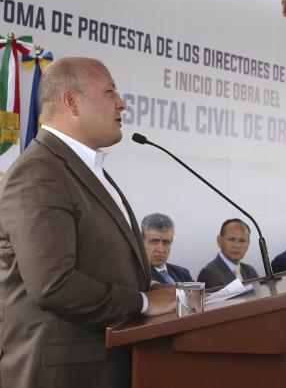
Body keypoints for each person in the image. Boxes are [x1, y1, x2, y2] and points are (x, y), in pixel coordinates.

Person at [0, 57, 175, 388]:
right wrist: (143, 302)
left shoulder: (81, 167)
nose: (122, 103)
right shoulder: (38, 173)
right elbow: (53, 284)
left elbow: (98, 262)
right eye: (110, 92)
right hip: (62, 373)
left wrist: (150, 288)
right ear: (71, 102)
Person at [198, 218, 259, 289]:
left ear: (248, 243)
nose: (237, 245)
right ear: (219, 241)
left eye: (242, 241)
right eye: (231, 239)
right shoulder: (209, 273)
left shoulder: (250, 271)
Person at [142, 213, 193, 284]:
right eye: (154, 242)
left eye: (166, 242)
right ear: (141, 242)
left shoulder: (183, 274)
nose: (161, 250)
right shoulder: (136, 276)